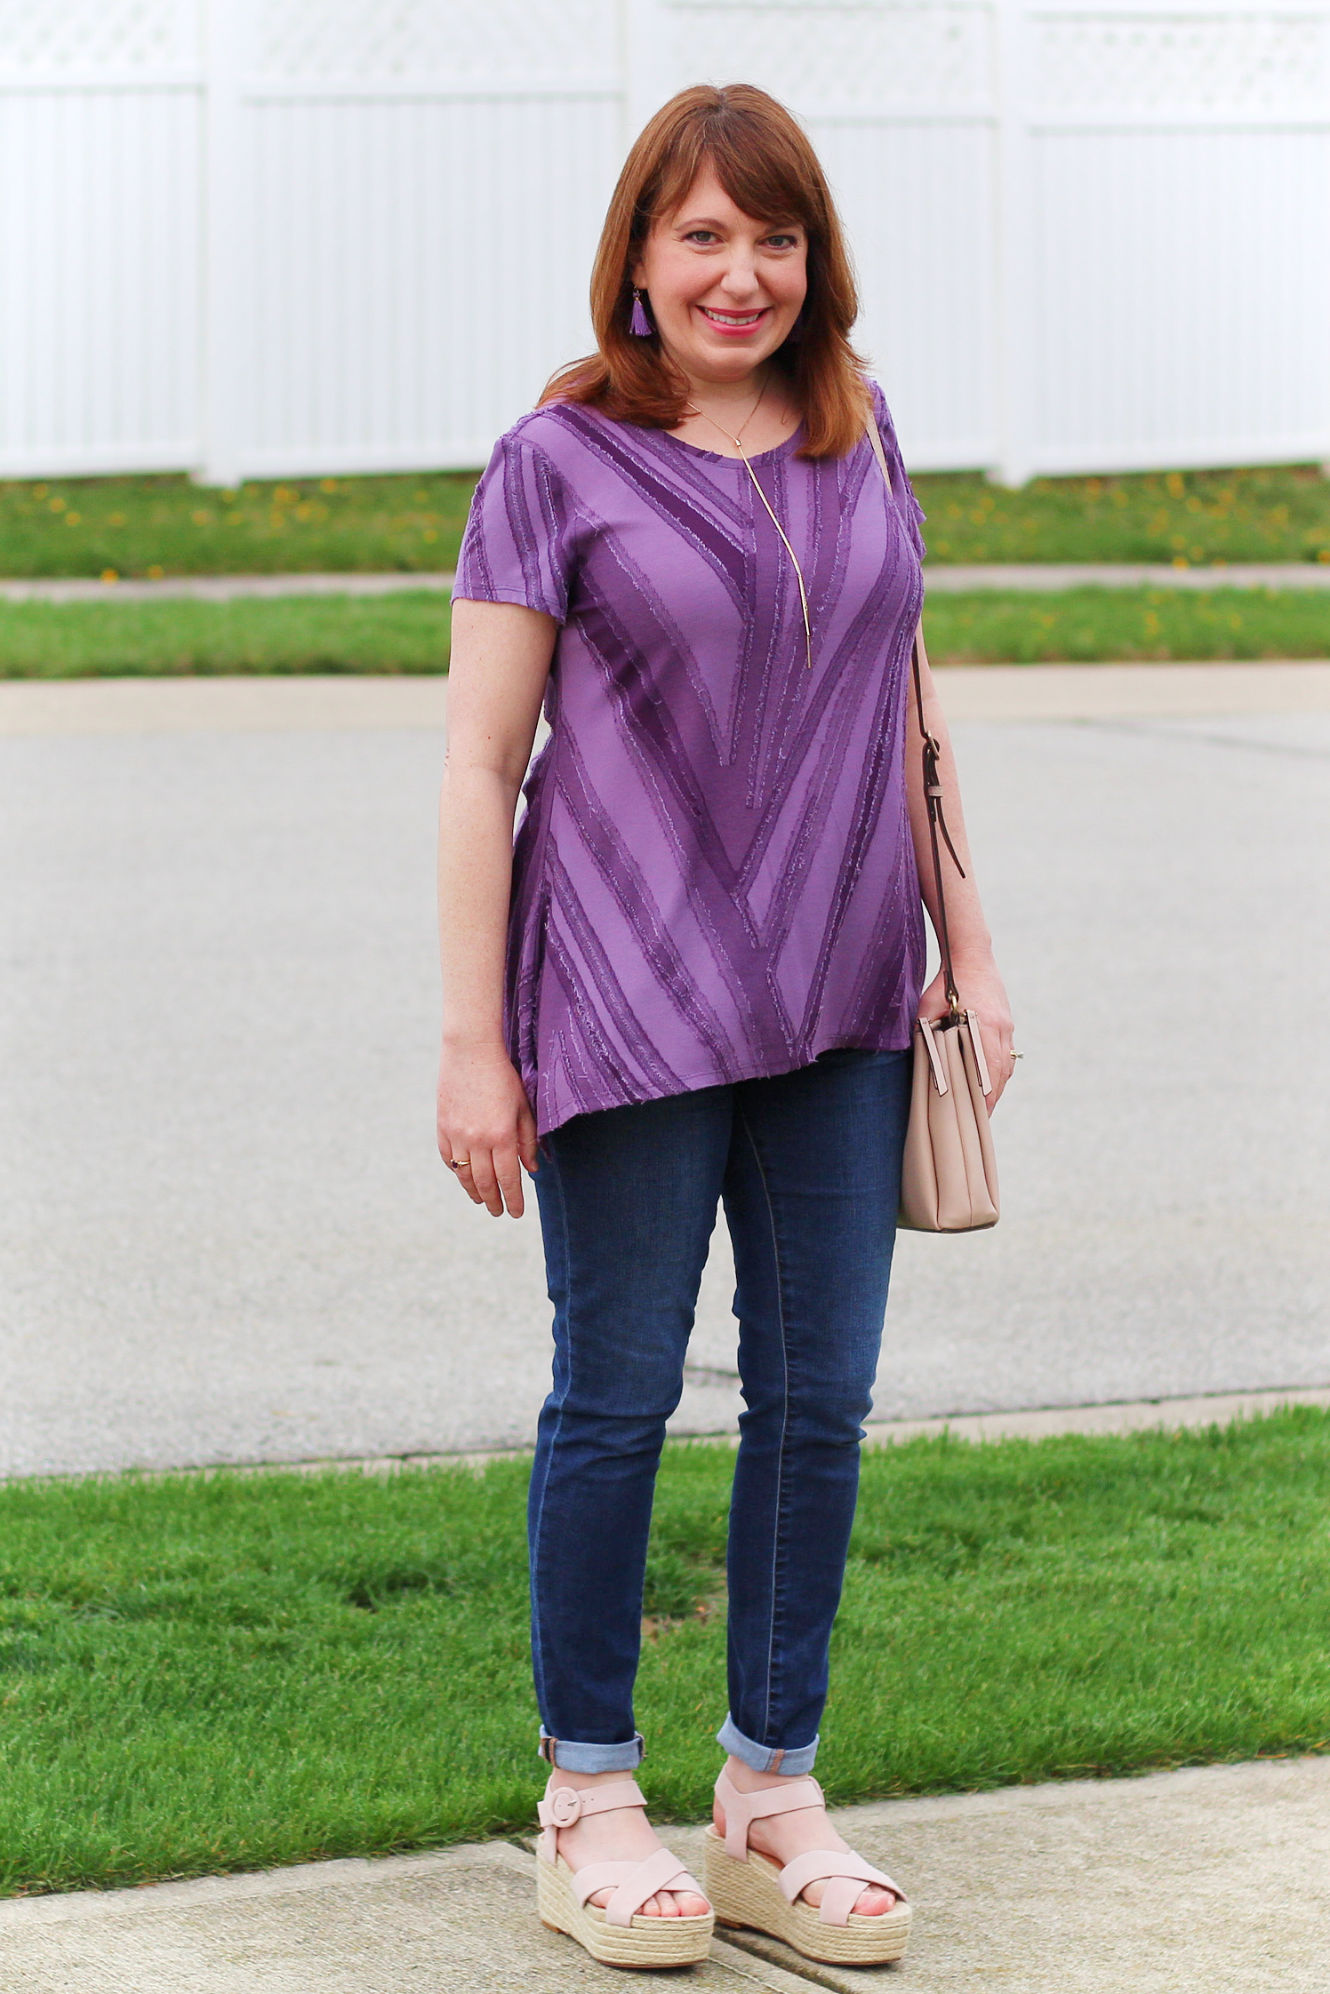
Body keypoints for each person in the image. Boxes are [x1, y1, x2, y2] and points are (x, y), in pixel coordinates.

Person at [436, 81, 1015, 1972]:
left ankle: (769, 1794)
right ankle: (587, 1799)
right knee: (615, 1399)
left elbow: (907, 711)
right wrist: (471, 1038)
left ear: (811, 258)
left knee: (818, 1401)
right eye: (700, 234)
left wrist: (969, 948)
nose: (740, 272)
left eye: (772, 237)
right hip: (618, 995)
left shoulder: (861, 436)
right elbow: (476, 761)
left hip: (844, 995)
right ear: (636, 256)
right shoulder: (560, 457)